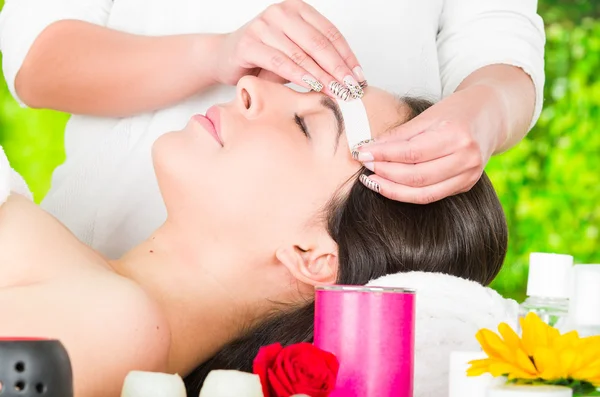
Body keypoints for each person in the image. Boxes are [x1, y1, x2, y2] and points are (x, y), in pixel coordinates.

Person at [0, 79, 508, 397]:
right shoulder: (90, 282)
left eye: (305, 125)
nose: (249, 85)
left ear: (311, 256)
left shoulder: (120, 326)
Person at [0, 0, 543, 258]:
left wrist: (487, 109)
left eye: (310, 124)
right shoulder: (43, 276)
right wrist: (213, 54)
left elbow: (498, 39)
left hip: (331, 313)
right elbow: (39, 58)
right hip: (102, 250)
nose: (250, 87)